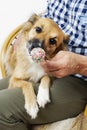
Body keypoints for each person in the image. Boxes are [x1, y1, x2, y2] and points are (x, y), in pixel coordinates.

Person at [0, 0, 87, 130]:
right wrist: (25, 31)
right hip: (50, 68)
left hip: (80, 80)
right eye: (39, 30)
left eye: (51, 41)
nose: (39, 43)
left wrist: (80, 64)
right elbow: (49, 17)